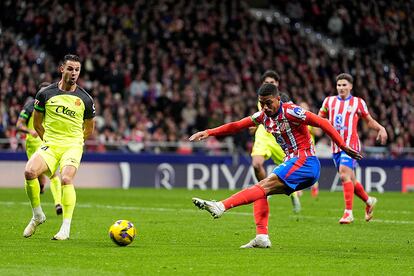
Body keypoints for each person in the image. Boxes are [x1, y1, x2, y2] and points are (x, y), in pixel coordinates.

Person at [189, 83, 362, 248]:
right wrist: (209, 132)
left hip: (305, 161)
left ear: (278, 99)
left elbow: (322, 122)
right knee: (260, 191)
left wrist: (342, 145)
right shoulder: (263, 117)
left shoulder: (292, 111)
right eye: (262, 103)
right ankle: (262, 236)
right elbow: (237, 125)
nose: (265, 107)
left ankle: (221, 206)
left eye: (269, 103)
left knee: (261, 186)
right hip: (295, 163)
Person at [23, 54, 95, 240]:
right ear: (61, 69)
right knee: (30, 172)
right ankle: (37, 215)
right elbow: (38, 124)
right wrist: (48, 141)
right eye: (70, 69)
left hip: (72, 145)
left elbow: (89, 129)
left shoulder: (85, 99)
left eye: (77, 70)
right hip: (51, 144)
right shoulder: (45, 94)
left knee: (66, 179)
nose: (74, 73)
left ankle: (65, 228)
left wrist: (77, 142)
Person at [318, 73, 387, 224]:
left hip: (351, 144)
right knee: (351, 180)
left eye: (344, 85)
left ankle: (348, 213)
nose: (341, 88)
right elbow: (320, 117)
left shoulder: (358, 102)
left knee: (344, 174)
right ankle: (369, 201)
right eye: (339, 85)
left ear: (350, 86)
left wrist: (380, 128)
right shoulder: (329, 101)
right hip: (335, 145)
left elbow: (368, 121)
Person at [251, 70, 301, 218]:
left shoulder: (283, 99)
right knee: (256, 164)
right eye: (266, 82)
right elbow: (261, 118)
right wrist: (253, 126)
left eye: (272, 83)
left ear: (277, 84)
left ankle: (293, 195)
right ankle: (264, 192)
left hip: (279, 137)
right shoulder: (261, 100)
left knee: (287, 173)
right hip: (263, 135)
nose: (269, 85)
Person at [16, 83, 62, 215]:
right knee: (39, 174)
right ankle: (41, 187)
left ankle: (58, 203)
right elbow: (19, 125)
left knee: (53, 174)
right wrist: (29, 130)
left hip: (47, 142)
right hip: (33, 144)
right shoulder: (30, 106)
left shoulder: (53, 106)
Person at [298, 101, 322, 198]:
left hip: (310, 149)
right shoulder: (296, 121)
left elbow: (318, 133)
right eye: (301, 108)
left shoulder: (309, 121)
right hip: (299, 149)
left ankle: (314, 187)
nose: (303, 109)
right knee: (299, 168)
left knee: (310, 168)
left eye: (305, 108)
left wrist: (312, 128)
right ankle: (299, 190)